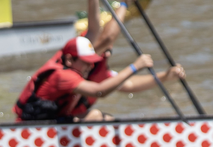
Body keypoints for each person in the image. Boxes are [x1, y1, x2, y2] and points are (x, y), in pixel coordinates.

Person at [14, 34, 183, 124]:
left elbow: (129, 85)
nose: (90, 66)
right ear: (69, 60)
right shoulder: (64, 76)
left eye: (92, 62)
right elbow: (99, 91)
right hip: (34, 128)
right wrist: (134, 67)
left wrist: (165, 76)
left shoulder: (85, 73)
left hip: (53, 122)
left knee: (102, 118)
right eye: (86, 63)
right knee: (95, 116)